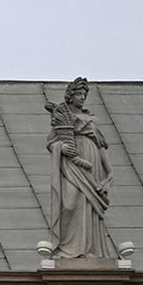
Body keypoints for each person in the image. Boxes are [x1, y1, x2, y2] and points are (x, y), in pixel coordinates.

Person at [45, 77, 112, 258]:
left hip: (91, 162)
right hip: (70, 162)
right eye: (78, 94)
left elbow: (101, 146)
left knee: (87, 204)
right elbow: (51, 142)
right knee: (70, 201)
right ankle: (69, 248)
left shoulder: (91, 120)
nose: (82, 97)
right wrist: (60, 147)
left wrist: (109, 174)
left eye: (84, 94)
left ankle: (90, 250)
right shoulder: (63, 116)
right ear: (70, 96)